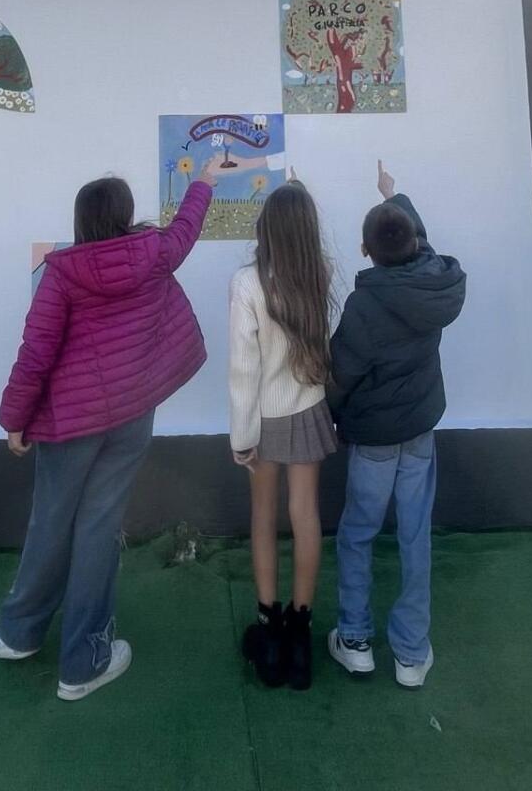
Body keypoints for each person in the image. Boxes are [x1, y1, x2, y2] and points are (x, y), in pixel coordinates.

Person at [0, 164, 217, 701]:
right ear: (125, 215)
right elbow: (186, 228)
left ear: (81, 220)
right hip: (131, 415)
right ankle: (84, 662)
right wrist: (203, 180)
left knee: (51, 521)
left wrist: (14, 419)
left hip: (71, 421)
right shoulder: (155, 252)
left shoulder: (62, 273)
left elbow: (36, 353)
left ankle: (19, 634)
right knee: (97, 529)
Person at [328, 161, 466, 689]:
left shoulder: (364, 305)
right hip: (420, 433)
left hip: (374, 440)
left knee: (357, 534)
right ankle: (411, 654)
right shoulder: (436, 280)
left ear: (365, 250)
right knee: (415, 536)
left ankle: (355, 642)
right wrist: (394, 196)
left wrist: (332, 419)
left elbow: (341, 376)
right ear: (413, 243)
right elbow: (419, 242)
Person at [228, 177, 338, 691]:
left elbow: (243, 369)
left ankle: (269, 636)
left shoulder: (247, 283)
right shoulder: (319, 273)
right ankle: (300, 636)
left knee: (263, 519)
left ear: (266, 229)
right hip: (308, 408)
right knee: (305, 517)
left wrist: (241, 435)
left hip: (262, 419)